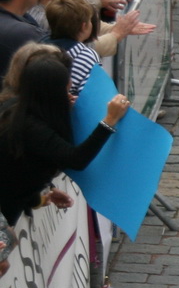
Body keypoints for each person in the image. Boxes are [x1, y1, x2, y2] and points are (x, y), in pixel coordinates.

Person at [0, 45, 126, 227]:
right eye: (65, 91)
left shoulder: (19, 110)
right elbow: (75, 159)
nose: (69, 95)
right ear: (51, 94)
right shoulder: (29, 126)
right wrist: (110, 120)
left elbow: (18, 170)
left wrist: (41, 195)